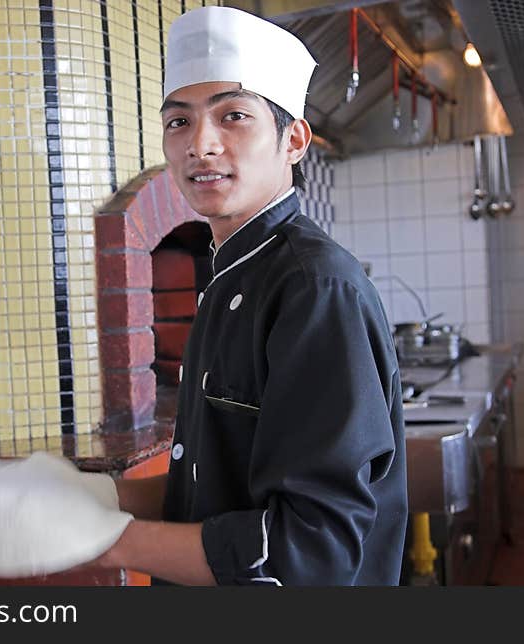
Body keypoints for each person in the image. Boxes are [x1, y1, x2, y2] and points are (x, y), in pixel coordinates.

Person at [93, 5, 408, 586]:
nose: (201, 145)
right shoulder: (229, 278)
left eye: (232, 116)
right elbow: (215, 479)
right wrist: (98, 498)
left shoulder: (312, 288)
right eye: (178, 122)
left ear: (293, 140)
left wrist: (107, 543)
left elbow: (314, 550)